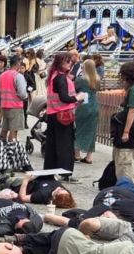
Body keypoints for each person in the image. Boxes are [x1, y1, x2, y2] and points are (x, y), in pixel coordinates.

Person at [45, 53, 85, 183]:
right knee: (65, 146)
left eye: (70, 61)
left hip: (53, 114)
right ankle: (65, 173)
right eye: (67, 61)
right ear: (60, 63)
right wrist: (77, 98)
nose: (70, 63)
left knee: (53, 145)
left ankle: (50, 171)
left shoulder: (53, 76)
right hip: (63, 115)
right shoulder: (61, 77)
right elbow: (64, 97)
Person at [0, 54, 29, 146]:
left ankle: (0, 147)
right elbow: (22, 94)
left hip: (4, 106)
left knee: (4, 129)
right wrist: (26, 96)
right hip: (15, 107)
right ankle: (11, 149)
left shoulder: (2, 75)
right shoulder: (18, 76)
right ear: (17, 64)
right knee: (13, 131)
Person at [74, 59, 100, 164]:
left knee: (78, 130)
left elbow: (73, 90)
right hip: (94, 106)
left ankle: (77, 155)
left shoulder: (80, 80)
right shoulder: (97, 80)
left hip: (83, 106)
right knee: (91, 132)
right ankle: (88, 157)